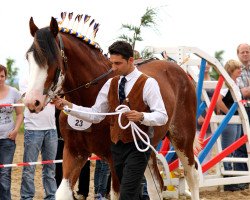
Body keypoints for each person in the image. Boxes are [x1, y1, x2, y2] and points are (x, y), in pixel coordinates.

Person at [53, 40, 168, 200]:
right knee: (129, 192)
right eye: (111, 63)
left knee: (126, 194)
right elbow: (96, 115)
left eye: (118, 63)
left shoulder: (148, 83)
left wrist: (142, 116)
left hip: (138, 145)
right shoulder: (110, 83)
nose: (113, 68)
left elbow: (162, 116)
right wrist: (68, 106)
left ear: (130, 61)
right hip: (117, 147)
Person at [19, 77, 58, 200]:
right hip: (33, 129)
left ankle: (51, 196)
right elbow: (28, 99)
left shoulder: (49, 76)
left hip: (51, 128)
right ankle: (26, 197)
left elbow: (57, 96)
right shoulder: (26, 77)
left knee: (50, 168)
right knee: (29, 168)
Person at [216, 59, 243, 191]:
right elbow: (218, 100)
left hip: (236, 119)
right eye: (237, 68)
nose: (240, 70)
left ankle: (231, 178)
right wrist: (229, 114)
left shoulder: (234, 83)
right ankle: (228, 181)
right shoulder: (226, 84)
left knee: (233, 150)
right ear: (231, 70)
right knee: (228, 150)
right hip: (230, 121)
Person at [0, 64, 23, 200]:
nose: (0, 79)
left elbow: (20, 114)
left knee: (4, 174)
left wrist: (15, 130)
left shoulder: (14, 92)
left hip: (8, 139)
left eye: (2, 76)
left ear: (6, 77)